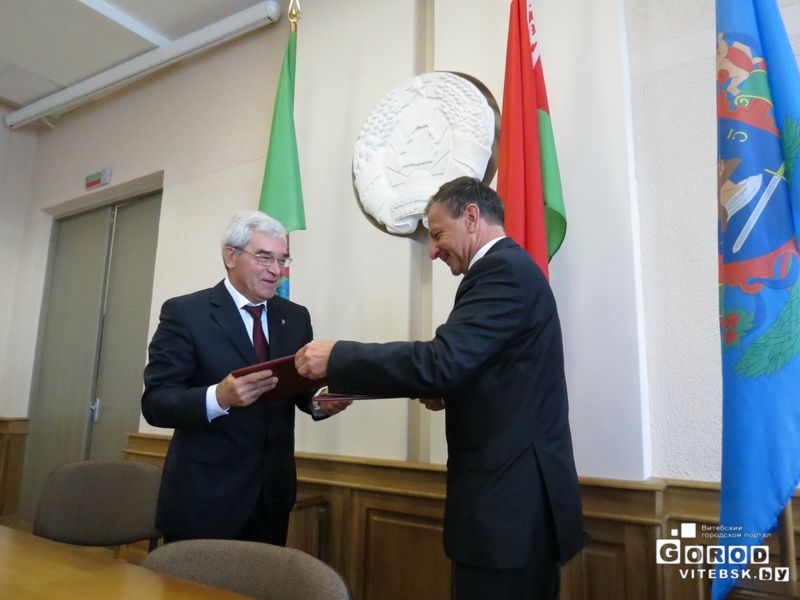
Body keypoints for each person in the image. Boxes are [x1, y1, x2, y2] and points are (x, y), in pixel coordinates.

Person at [295, 177, 585, 600]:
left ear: (471, 217)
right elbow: (491, 371)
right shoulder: (508, 269)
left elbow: (442, 361)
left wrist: (338, 356)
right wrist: (452, 392)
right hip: (513, 508)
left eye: (436, 234)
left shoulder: (501, 271)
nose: (432, 250)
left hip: (510, 511)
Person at [142, 210, 349, 545]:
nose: (276, 270)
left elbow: (299, 388)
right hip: (204, 500)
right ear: (231, 256)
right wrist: (218, 398)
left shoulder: (295, 317)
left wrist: (321, 402)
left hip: (272, 499)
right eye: (264, 257)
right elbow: (156, 403)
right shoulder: (186, 313)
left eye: (282, 259)